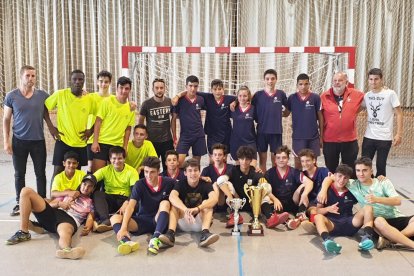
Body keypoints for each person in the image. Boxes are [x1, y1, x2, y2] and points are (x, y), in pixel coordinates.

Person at [318, 157, 414, 250]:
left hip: (396, 217)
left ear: (371, 171)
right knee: (378, 221)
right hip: (378, 223)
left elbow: (398, 201)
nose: (361, 174)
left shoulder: (383, 182)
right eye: (358, 170)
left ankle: (391, 239)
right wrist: (323, 190)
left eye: (365, 170)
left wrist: (377, 199)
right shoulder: (352, 184)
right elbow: (330, 178)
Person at [3, 65, 56, 216]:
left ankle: (42, 202)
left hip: (38, 141)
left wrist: (52, 127)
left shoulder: (42, 95)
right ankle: (20, 203)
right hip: (19, 141)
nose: (31, 78)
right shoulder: (11, 96)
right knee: (19, 173)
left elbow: (47, 112)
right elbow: (6, 119)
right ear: (21, 77)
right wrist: (6, 141)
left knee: (40, 173)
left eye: (33, 76)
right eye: (28, 76)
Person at [5, 174, 97, 260]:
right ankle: (24, 232)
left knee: (65, 231)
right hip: (55, 212)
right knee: (26, 191)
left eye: (90, 186)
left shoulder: (91, 203)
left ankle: (67, 250)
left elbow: (90, 217)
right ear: (81, 184)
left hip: (70, 220)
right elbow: (50, 204)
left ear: (93, 189)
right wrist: (60, 203)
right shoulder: (70, 193)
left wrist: (88, 227)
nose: (86, 187)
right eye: (84, 184)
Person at [110, 157, 176, 255]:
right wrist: (123, 228)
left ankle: (155, 239)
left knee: (165, 203)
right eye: (146, 171)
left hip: (160, 220)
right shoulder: (139, 184)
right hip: (142, 220)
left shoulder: (169, 182)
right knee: (114, 218)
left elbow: (184, 185)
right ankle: (127, 242)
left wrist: (200, 178)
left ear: (159, 171)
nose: (148, 175)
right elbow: (131, 206)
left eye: (152, 172)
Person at [307, 164, 375, 254]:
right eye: (339, 176)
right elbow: (317, 211)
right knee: (318, 217)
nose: (342, 180)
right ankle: (327, 241)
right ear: (334, 176)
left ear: (349, 179)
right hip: (332, 225)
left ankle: (366, 237)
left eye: (345, 178)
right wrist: (328, 209)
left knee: (368, 208)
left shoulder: (352, 190)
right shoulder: (325, 190)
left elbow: (367, 181)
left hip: (350, 224)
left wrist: (380, 179)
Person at [217, 146, 288, 229]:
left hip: (253, 204)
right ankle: (235, 215)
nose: (244, 162)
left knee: (264, 188)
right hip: (238, 201)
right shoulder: (233, 170)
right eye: (242, 159)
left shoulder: (255, 172)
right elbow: (221, 180)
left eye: (247, 159)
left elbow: (265, 186)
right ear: (238, 159)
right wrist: (229, 196)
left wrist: (274, 199)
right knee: (226, 183)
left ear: (251, 161)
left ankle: (270, 218)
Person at [45, 70, 95, 182]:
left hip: (80, 142)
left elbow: (99, 115)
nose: (77, 82)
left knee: (76, 174)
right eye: (75, 79)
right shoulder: (60, 94)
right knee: (57, 172)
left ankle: (73, 198)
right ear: (70, 81)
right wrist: (51, 128)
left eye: (80, 79)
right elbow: (44, 107)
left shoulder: (89, 98)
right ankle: (53, 198)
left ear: (84, 81)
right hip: (63, 140)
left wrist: (90, 130)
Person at [158, 158, 219, 248]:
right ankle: (170, 234)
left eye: (195, 170)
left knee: (207, 204)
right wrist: (185, 209)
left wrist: (198, 208)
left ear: (199, 172)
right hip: (184, 220)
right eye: (190, 171)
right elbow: (172, 196)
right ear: (185, 173)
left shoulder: (205, 184)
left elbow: (214, 199)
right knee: (174, 206)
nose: (193, 173)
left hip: (199, 222)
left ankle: (205, 234)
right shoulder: (180, 183)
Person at [173, 79, 235, 158]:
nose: (217, 92)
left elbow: (239, 97)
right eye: (215, 89)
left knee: (223, 159)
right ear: (211, 90)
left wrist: (235, 102)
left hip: (226, 133)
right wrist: (178, 96)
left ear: (223, 89)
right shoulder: (207, 97)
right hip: (212, 134)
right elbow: (190, 91)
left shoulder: (229, 99)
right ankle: (190, 166)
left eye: (219, 89)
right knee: (213, 161)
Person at [361, 68, 403, 176]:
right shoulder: (367, 95)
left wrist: (398, 134)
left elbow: (399, 113)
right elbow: (356, 110)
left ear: (381, 79)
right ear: (368, 80)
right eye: (371, 79)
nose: (373, 82)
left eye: (376, 79)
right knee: (364, 165)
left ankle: (380, 190)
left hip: (384, 137)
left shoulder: (390, 94)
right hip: (369, 136)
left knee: (380, 165)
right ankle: (367, 188)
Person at [320, 72, 364, 174]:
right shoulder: (323, 97)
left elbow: (371, 97)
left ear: (346, 82)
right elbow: (319, 117)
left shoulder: (356, 95)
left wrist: (354, 112)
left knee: (349, 170)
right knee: (331, 170)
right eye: (335, 80)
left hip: (349, 140)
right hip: (330, 140)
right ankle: (332, 189)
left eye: (340, 80)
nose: (337, 83)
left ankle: (348, 189)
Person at [91, 76, 135, 173]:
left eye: (126, 88)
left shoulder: (131, 108)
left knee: (113, 175)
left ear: (130, 90)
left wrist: (125, 146)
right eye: (121, 88)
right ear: (117, 88)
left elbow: (128, 128)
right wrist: (95, 141)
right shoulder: (107, 102)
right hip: (102, 143)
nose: (123, 91)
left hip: (117, 145)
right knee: (97, 174)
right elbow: (98, 121)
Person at [264, 146, 313, 230]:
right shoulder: (269, 173)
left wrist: (305, 194)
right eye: (278, 158)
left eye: (284, 157)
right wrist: (275, 199)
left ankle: (300, 214)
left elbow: (310, 182)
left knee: (304, 186)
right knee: (265, 196)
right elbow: (265, 189)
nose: (281, 160)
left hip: (293, 203)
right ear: (275, 160)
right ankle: (284, 220)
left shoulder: (294, 172)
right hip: (278, 204)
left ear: (288, 159)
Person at [92, 146, 139, 231]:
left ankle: (114, 220)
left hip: (125, 199)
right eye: (114, 158)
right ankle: (105, 220)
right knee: (97, 194)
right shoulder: (105, 170)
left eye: (120, 158)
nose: (117, 161)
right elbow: (91, 179)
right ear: (110, 159)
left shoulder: (132, 172)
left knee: (137, 202)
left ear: (124, 159)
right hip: (110, 199)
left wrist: (126, 203)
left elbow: (134, 192)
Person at [252, 69, 288, 172]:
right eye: (267, 79)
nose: (270, 81)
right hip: (261, 132)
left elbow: (287, 111)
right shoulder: (258, 95)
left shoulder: (281, 94)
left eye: (272, 79)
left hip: (276, 132)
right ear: (264, 80)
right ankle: (264, 183)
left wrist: (281, 114)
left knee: (275, 160)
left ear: (276, 79)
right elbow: (250, 109)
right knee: (262, 160)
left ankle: (274, 181)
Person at [286, 73, 324, 169]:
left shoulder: (315, 98)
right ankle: (299, 183)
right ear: (297, 85)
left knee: (313, 164)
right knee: (298, 164)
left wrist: (321, 136)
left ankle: (314, 183)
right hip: (298, 137)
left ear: (309, 84)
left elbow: (320, 117)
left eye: (306, 84)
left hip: (313, 137)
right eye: (301, 84)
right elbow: (286, 113)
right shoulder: (292, 98)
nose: (303, 86)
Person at [138, 78, 174, 171]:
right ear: (152, 89)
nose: (159, 90)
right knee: (152, 167)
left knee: (169, 168)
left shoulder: (170, 102)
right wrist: (142, 137)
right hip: (152, 141)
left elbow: (173, 119)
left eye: (161, 88)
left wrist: (175, 136)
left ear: (164, 88)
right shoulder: (146, 104)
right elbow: (140, 121)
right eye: (157, 88)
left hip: (167, 140)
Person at [171, 75, 207, 167]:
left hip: (199, 135)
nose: (193, 88)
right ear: (186, 86)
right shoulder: (179, 100)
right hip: (185, 136)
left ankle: (194, 179)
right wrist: (174, 136)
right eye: (190, 86)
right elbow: (174, 119)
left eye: (195, 86)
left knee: (196, 163)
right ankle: (185, 172)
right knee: (178, 163)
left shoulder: (201, 99)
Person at [86, 70, 113, 173]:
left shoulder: (114, 99)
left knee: (108, 169)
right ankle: (89, 188)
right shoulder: (90, 97)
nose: (103, 84)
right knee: (91, 168)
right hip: (92, 138)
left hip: (107, 138)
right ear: (97, 82)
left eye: (106, 82)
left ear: (110, 83)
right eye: (101, 81)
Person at [230, 86, 257, 166]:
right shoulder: (233, 108)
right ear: (237, 96)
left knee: (252, 168)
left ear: (248, 96)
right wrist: (234, 102)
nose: (242, 98)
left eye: (245, 96)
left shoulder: (253, 109)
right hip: (236, 142)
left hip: (250, 142)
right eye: (240, 96)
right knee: (238, 170)